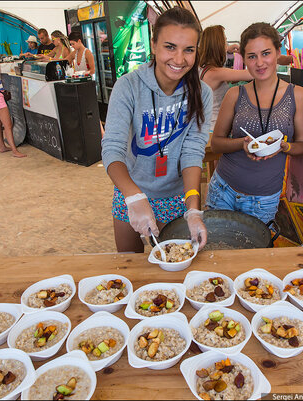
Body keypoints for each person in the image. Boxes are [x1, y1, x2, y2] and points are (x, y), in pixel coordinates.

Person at [101, 7, 212, 253]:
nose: (179, 59)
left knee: (172, 265)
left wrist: (193, 208)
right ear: (154, 45)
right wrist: (133, 196)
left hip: (176, 195)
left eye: (189, 50)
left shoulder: (202, 92)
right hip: (130, 188)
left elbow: (193, 153)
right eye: (170, 47)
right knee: (128, 262)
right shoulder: (128, 86)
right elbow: (112, 149)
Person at [207, 23, 303, 224]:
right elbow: (217, 143)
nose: (260, 62)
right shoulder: (235, 94)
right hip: (223, 191)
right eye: (252, 56)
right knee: (216, 252)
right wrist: (241, 143)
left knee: (254, 254)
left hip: (263, 200)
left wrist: (284, 146)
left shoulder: (297, 95)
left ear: (278, 53)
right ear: (244, 59)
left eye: (266, 53)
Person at [198, 25, 254, 129]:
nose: (227, 43)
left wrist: (228, 49)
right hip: (213, 126)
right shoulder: (216, 73)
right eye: (225, 40)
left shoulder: (202, 68)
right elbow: (252, 73)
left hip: (205, 124)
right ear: (219, 44)